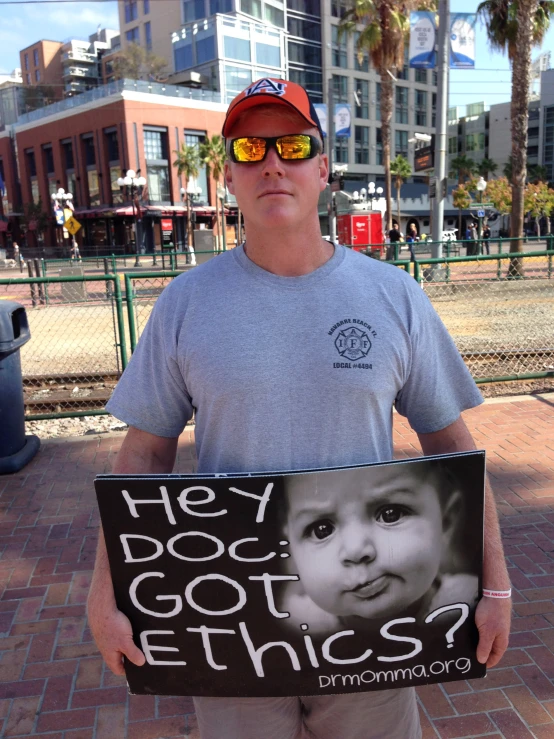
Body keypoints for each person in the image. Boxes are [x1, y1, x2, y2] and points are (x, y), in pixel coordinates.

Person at [88, 78, 511, 739]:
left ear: (321, 168)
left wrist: (498, 583)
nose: (272, 163)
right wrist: (104, 588)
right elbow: (143, 455)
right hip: (233, 626)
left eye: (290, 144)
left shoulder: (393, 297)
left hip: (376, 622)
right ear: (228, 175)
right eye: (250, 149)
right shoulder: (185, 304)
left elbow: (455, 447)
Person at [280, 461, 478, 635]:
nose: (355, 550)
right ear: (291, 549)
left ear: (445, 522)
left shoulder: (468, 601)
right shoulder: (298, 623)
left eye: (390, 514)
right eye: (321, 530)